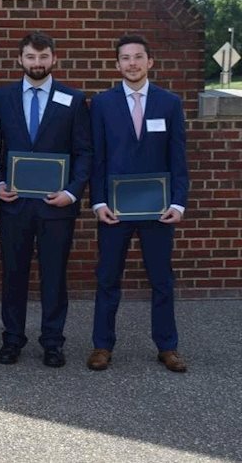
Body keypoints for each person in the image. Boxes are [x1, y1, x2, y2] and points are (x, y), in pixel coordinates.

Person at [87, 34, 189, 373]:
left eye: (138, 57)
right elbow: (97, 158)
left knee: (161, 280)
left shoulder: (169, 103)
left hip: (158, 211)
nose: (132, 63)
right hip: (113, 210)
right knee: (107, 278)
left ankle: (168, 347)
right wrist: (98, 202)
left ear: (150, 62)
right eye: (125, 58)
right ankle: (102, 345)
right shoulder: (102, 103)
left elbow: (178, 159)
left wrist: (178, 203)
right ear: (117, 65)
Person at [0, 31, 91, 368]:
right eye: (31, 57)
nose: (37, 63)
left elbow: (83, 152)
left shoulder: (72, 99)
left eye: (43, 57)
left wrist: (72, 191)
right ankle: (12, 339)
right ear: (20, 59)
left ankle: (52, 341)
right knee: (13, 274)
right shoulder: (1, 99)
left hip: (56, 206)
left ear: (54, 59)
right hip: (14, 203)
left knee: (54, 276)